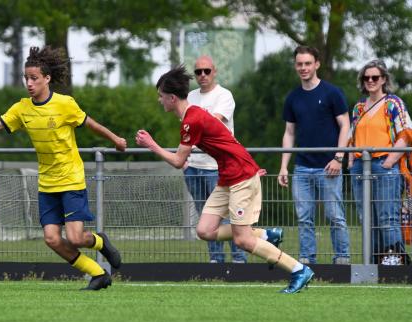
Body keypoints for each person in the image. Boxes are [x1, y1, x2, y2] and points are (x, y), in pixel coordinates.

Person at [135, 65, 313, 294]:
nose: (159, 101)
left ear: (171, 98)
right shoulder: (193, 116)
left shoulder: (191, 120)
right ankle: (267, 235)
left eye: (160, 96)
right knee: (205, 231)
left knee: (242, 241)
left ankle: (299, 270)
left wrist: (152, 145)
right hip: (230, 177)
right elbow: (226, 140)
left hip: (239, 177)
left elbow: (179, 161)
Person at [0, 46, 127, 290]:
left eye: (34, 78)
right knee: (52, 239)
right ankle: (98, 274)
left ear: (47, 79)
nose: (29, 83)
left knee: (74, 238)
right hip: (47, 183)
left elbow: (91, 124)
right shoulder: (21, 109)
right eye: (26, 78)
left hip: (71, 179)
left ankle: (99, 242)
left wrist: (115, 139)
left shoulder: (65, 104)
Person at [278, 45, 351, 265]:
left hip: (329, 167)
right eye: (299, 64)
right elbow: (289, 133)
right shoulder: (293, 98)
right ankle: (307, 260)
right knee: (304, 218)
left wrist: (339, 158)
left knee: (335, 216)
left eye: (308, 63)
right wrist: (283, 166)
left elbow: (346, 125)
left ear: (316, 64)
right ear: (295, 66)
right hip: (301, 168)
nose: (303, 68)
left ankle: (342, 259)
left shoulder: (332, 92)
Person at [184, 55, 247, 263]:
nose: (202, 75)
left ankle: (239, 259)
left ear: (215, 72)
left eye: (206, 71)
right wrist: (184, 159)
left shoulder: (224, 95)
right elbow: (186, 129)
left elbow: (212, 123)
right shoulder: (191, 96)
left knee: (228, 214)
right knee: (205, 215)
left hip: (217, 166)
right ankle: (216, 260)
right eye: (198, 72)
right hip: (193, 165)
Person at [349, 59, 411, 265]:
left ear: (383, 79)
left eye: (375, 77)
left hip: (384, 164)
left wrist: (390, 160)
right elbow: (352, 137)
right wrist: (350, 160)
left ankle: (395, 259)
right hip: (360, 166)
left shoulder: (393, 103)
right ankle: (373, 260)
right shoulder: (358, 107)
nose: (370, 81)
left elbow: (405, 132)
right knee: (367, 217)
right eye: (366, 78)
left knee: (387, 215)